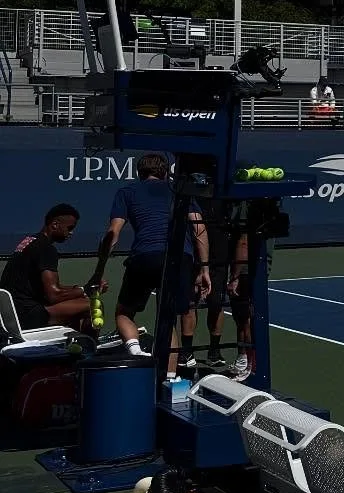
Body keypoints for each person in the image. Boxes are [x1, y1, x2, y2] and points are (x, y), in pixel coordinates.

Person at [88, 153, 210, 374]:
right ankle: (170, 378)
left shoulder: (126, 192)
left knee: (124, 313)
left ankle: (135, 352)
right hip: (179, 260)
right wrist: (205, 269)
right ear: (165, 172)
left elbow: (112, 234)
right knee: (168, 321)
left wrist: (98, 272)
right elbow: (198, 229)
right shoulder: (179, 191)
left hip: (145, 258)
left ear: (139, 173)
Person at [1, 204, 96, 334]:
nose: (71, 232)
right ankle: (88, 347)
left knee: (77, 302)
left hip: (13, 315)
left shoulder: (30, 242)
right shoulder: (46, 249)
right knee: (93, 306)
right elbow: (54, 295)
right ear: (55, 225)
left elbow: (48, 288)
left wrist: (80, 289)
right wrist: (85, 290)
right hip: (28, 316)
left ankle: (75, 344)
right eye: (70, 228)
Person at [202, 207, 254, 378]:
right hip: (250, 269)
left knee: (245, 319)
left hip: (244, 272)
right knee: (242, 318)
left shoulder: (245, 212)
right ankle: (243, 360)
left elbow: (243, 242)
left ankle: (249, 364)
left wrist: (235, 276)